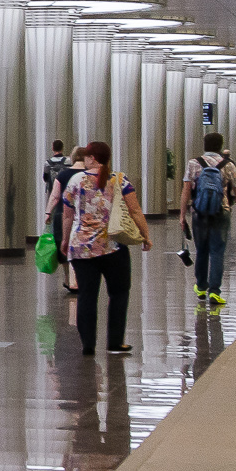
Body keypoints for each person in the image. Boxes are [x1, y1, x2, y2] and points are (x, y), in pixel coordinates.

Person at [61, 141, 149, 356]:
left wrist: (64, 240)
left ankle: (88, 345)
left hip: (82, 248)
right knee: (119, 293)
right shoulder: (119, 180)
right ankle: (115, 342)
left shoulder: (76, 180)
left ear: (92, 158)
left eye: (86, 156)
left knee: (86, 296)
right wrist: (145, 235)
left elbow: (67, 215)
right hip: (113, 247)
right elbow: (135, 210)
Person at [179, 135, 236, 307]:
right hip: (221, 211)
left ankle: (201, 287)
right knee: (217, 252)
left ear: (205, 145)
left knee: (201, 250)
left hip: (199, 212)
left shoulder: (194, 163)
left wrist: (182, 215)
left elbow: (186, 190)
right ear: (220, 146)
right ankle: (215, 291)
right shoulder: (228, 165)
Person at [40, 140, 82, 294]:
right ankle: (78, 278)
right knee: (79, 246)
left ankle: (68, 278)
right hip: (81, 214)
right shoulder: (76, 169)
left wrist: (48, 212)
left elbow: (53, 192)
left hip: (60, 211)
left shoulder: (52, 167)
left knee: (63, 244)